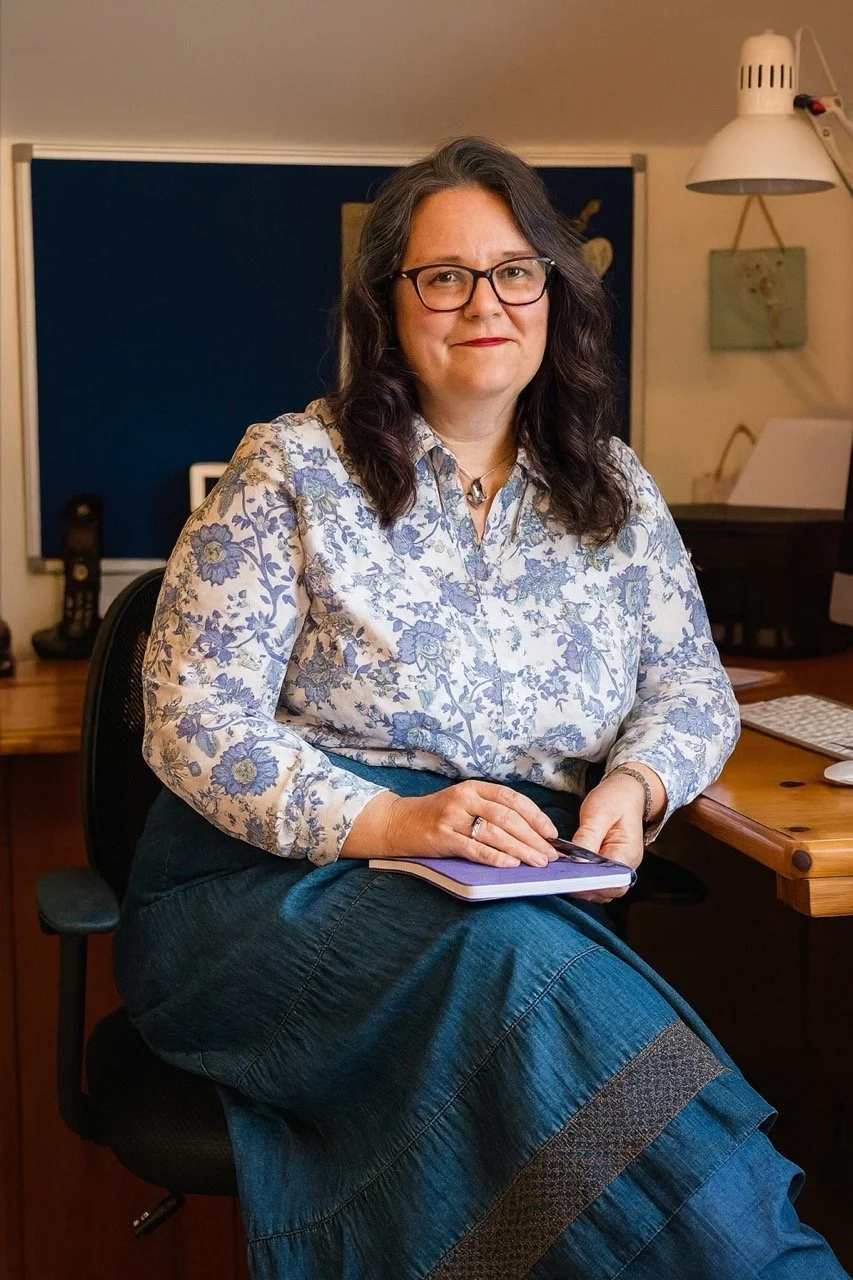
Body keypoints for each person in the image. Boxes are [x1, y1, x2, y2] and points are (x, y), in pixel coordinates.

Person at [115, 137, 849, 1279]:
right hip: (269, 899)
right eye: (443, 275)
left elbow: (690, 684)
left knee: (522, 973)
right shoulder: (291, 471)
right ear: (387, 303)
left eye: (515, 271)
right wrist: (395, 822)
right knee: (512, 968)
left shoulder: (611, 485)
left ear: (552, 292)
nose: (484, 302)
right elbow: (190, 716)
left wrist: (636, 779)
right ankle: (773, 1260)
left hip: (519, 894)